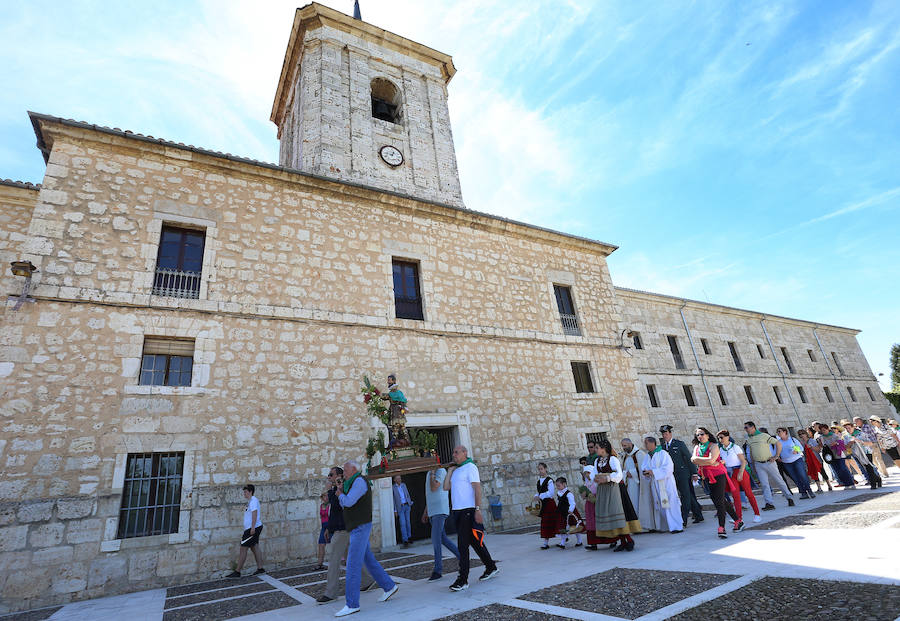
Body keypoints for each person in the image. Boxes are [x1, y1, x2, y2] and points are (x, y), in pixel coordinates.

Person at [336, 460, 399, 617]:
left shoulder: (358, 482)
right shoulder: (351, 483)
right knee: (368, 560)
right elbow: (347, 503)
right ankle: (389, 586)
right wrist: (341, 493)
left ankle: (352, 604)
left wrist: (340, 495)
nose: (343, 472)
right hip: (357, 526)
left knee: (352, 564)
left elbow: (348, 501)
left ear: (354, 469)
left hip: (360, 527)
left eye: (345, 469)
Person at [444, 446, 499, 591]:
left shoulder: (470, 467)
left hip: (468, 510)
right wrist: (450, 471)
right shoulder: (456, 470)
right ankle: (491, 567)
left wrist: (478, 509)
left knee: (462, 545)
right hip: (457, 511)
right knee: (475, 541)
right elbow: (445, 487)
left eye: (456, 452)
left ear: (465, 453)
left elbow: (477, 489)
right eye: (453, 452)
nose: (454, 455)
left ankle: (463, 580)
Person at [317, 467, 374, 606]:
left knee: (334, 561)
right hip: (340, 528)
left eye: (331, 474)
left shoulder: (342, 487)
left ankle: (330, 593)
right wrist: (328, 529)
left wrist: (331, 490)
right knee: (351, 558)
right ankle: (368, 580)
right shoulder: (338, 488)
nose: (328, 477)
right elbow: (333, 512)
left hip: (343, 529)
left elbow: (339, 505)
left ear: (339, 475)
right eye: (329, 475)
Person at [691, 428, 742, 538]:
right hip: (705, 476)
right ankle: (738, 521)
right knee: (720, 500)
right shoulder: (697, 447)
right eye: (698, 435)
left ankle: (721, 528)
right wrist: (706, 461)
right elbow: (694, 460)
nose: (700, 436)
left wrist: (698, 460)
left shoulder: (713, 446)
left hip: (718, 475)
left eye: (702, 434)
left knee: (719, 502)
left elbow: (710, 460)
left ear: (708, 435)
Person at [591, 439, 641, 551]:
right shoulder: (597, 461)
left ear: (603, 449)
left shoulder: (612, 459)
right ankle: (622, 541)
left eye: (597, 447)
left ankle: (629, 540)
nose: (595, 450)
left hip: (615, 490)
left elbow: (619, 474)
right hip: (604, 490)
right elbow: (594, 474)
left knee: (619, 514)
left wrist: (608, 478)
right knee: (611, 515)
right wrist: (596, 478)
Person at [744, 421, 795, 510]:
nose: (745, 430)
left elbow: (778, 443)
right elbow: (752, 452)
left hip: (769, 462)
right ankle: (769, 503)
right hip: (758, 464)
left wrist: (776, 456)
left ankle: (789, 498)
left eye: (746, 427)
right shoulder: (749, 439)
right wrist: (753, 465)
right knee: (764, 484)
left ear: (753, 427)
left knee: (779, 480)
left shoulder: (764, 436)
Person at [660, 425, 703, 528]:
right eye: (663, 434)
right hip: (672, 476)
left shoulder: (679, 444)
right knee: (689, 495)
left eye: (666, 433)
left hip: (683, 474)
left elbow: (689, 458)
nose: (665, 436)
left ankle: (683, 519)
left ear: (670, 433)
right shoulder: (662, 447)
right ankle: (698, 515)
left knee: (685, 496)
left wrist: (694, 473)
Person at [422, 466, 460, 581]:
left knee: (436, 540)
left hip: (440, 509)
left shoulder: (441, 471)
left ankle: (438, 570)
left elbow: (434, 487)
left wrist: (433, 473)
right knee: (442, 539)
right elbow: (429, 494)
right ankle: (462, 557)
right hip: (433, 511)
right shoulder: (429, 472)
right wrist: (426, 511)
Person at [639, 436, 683, 532]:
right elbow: (644, 467)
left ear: (652, 443)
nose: (645, 445)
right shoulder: (647, 456)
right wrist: (646, 473)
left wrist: (653, 472)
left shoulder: (663, 453)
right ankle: (666, 526)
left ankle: (676, 526)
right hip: (655, 484)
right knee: (660, 505)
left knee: (671, 504)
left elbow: (668, 468)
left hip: (666, 483)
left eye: (646, 443)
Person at [717, 430, 761, 523]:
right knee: (735, 496)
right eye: (719, 438)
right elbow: (724, 461)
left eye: (722, 437)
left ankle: (757, 514)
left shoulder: (735, 447)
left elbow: (743, 461)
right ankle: (738, 518)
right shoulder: (721, 449)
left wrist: (741, 472)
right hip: (731, 473)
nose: (720, 439)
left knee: (749, 493)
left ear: (727, 437)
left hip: (740, 471)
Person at [226, 484, 265, 578]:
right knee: (254, 547)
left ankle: (237, 571)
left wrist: (252, 528)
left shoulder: (253, 501)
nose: (244, 494)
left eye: (245, 492)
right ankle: (260, 569)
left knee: (243, 548)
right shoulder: (251, 501)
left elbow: (254, 514)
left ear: (250, 491)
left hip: (252, 529)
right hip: (252, 528)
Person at [775, 428, 815, 499]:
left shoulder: (792, 439)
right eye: (777, 432)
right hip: (786, 462)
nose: (778, 433)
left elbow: (801, 448)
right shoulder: (778, 442)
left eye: (779, 431)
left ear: (785, 432)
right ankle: (803, 493)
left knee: (802, 475)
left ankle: (809, 491)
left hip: (797, 460)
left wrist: (796, 451)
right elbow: (776, 451)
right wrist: (778, 457)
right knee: (795, 478)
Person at [620, 437, 651, 527]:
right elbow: (623, 468)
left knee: (640, 504)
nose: (624, 448)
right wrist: (626, 474)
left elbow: (643, 469)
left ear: (630, 444)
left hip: (639, 485)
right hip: (629, 484)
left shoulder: (639, 454)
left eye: (625, 445)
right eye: (622, 446)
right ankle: (635, 525)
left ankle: (643, 525)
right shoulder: (625, 456)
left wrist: (632, 473)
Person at [842, 420, 881, 489]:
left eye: (849, 428)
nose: (848, 430)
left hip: (866, 452)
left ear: (853, 427)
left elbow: (870, 443)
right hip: (856, 454)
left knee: (869, 468)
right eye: (846, 428)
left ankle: (873, 484)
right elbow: (845, 447)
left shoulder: (861, 433)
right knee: (864, 468)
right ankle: (878, 479)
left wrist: (859, 441)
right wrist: (850, 444)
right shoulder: (846, 437)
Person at [817, 423, 856, 488]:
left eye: (824, 430)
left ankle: (851, 483)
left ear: (827, 429)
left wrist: (836, 443)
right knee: (837, 471)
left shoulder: (834, 435)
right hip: (830, 456)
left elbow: (842, 443)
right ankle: (845, 484)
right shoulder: (821, 438)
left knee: (843, 469)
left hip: (839, 454)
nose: (823, 431)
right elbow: (822, 446)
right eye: (822, 430)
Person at [798, 428, 831, 493]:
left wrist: (811, 447)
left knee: (822, 472)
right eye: (800, 434)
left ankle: (829, 485)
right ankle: (819, 488)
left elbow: (818, 450)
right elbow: (800, 451)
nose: (802, 435)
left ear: (806, 434)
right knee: (814, 473)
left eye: (803, 433)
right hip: (809, 461)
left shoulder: (812, 440)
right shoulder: (801, 443)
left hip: (817, 459)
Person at [554, 477, 583, 548]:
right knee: (563, 527)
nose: (557, 487)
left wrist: (571, 510)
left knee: (575, 526)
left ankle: (579, 541)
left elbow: (572, 503)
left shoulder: (569, 494)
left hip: (569, 512)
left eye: (559, 485)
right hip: (562, 512)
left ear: (564, 484)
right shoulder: (559, 493)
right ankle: (562, 543)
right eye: (556, 486)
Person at [533, 463, 557, 549]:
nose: (540, 471)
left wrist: (541, 496)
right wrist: (536, 496)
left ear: (546, 469)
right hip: (543, 505)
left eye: (542, 469)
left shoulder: (549, 480)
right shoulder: (539, 481)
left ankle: (563, 537)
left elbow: (551, 493)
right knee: (545, 523)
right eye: (539, 469)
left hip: (550, 504)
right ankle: (545, 542)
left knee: (555, 521)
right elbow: (539, 491)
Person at [392, 475, 413, 548]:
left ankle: (409, 537)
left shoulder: (404, 485)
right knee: (403, 523)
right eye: (397, 478)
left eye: (400, 478)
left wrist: (410, 502)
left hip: (407, 505)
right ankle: (405, 540)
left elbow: (407, 494)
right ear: (394, 480)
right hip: (400, 507)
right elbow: (394, 500)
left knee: (408, 522)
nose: (399, 479)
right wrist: (395, 510)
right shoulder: (393, 488)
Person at [317, 491, 330, 570]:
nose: (326, 498)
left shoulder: (330, 505)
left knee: (337, 545)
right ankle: (319, 564)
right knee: (321, 545)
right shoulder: (321, 506)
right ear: (322, 498)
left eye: (327, 496)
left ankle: (346, 561)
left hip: (330, 527)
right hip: (323, 527)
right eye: (325, 496)